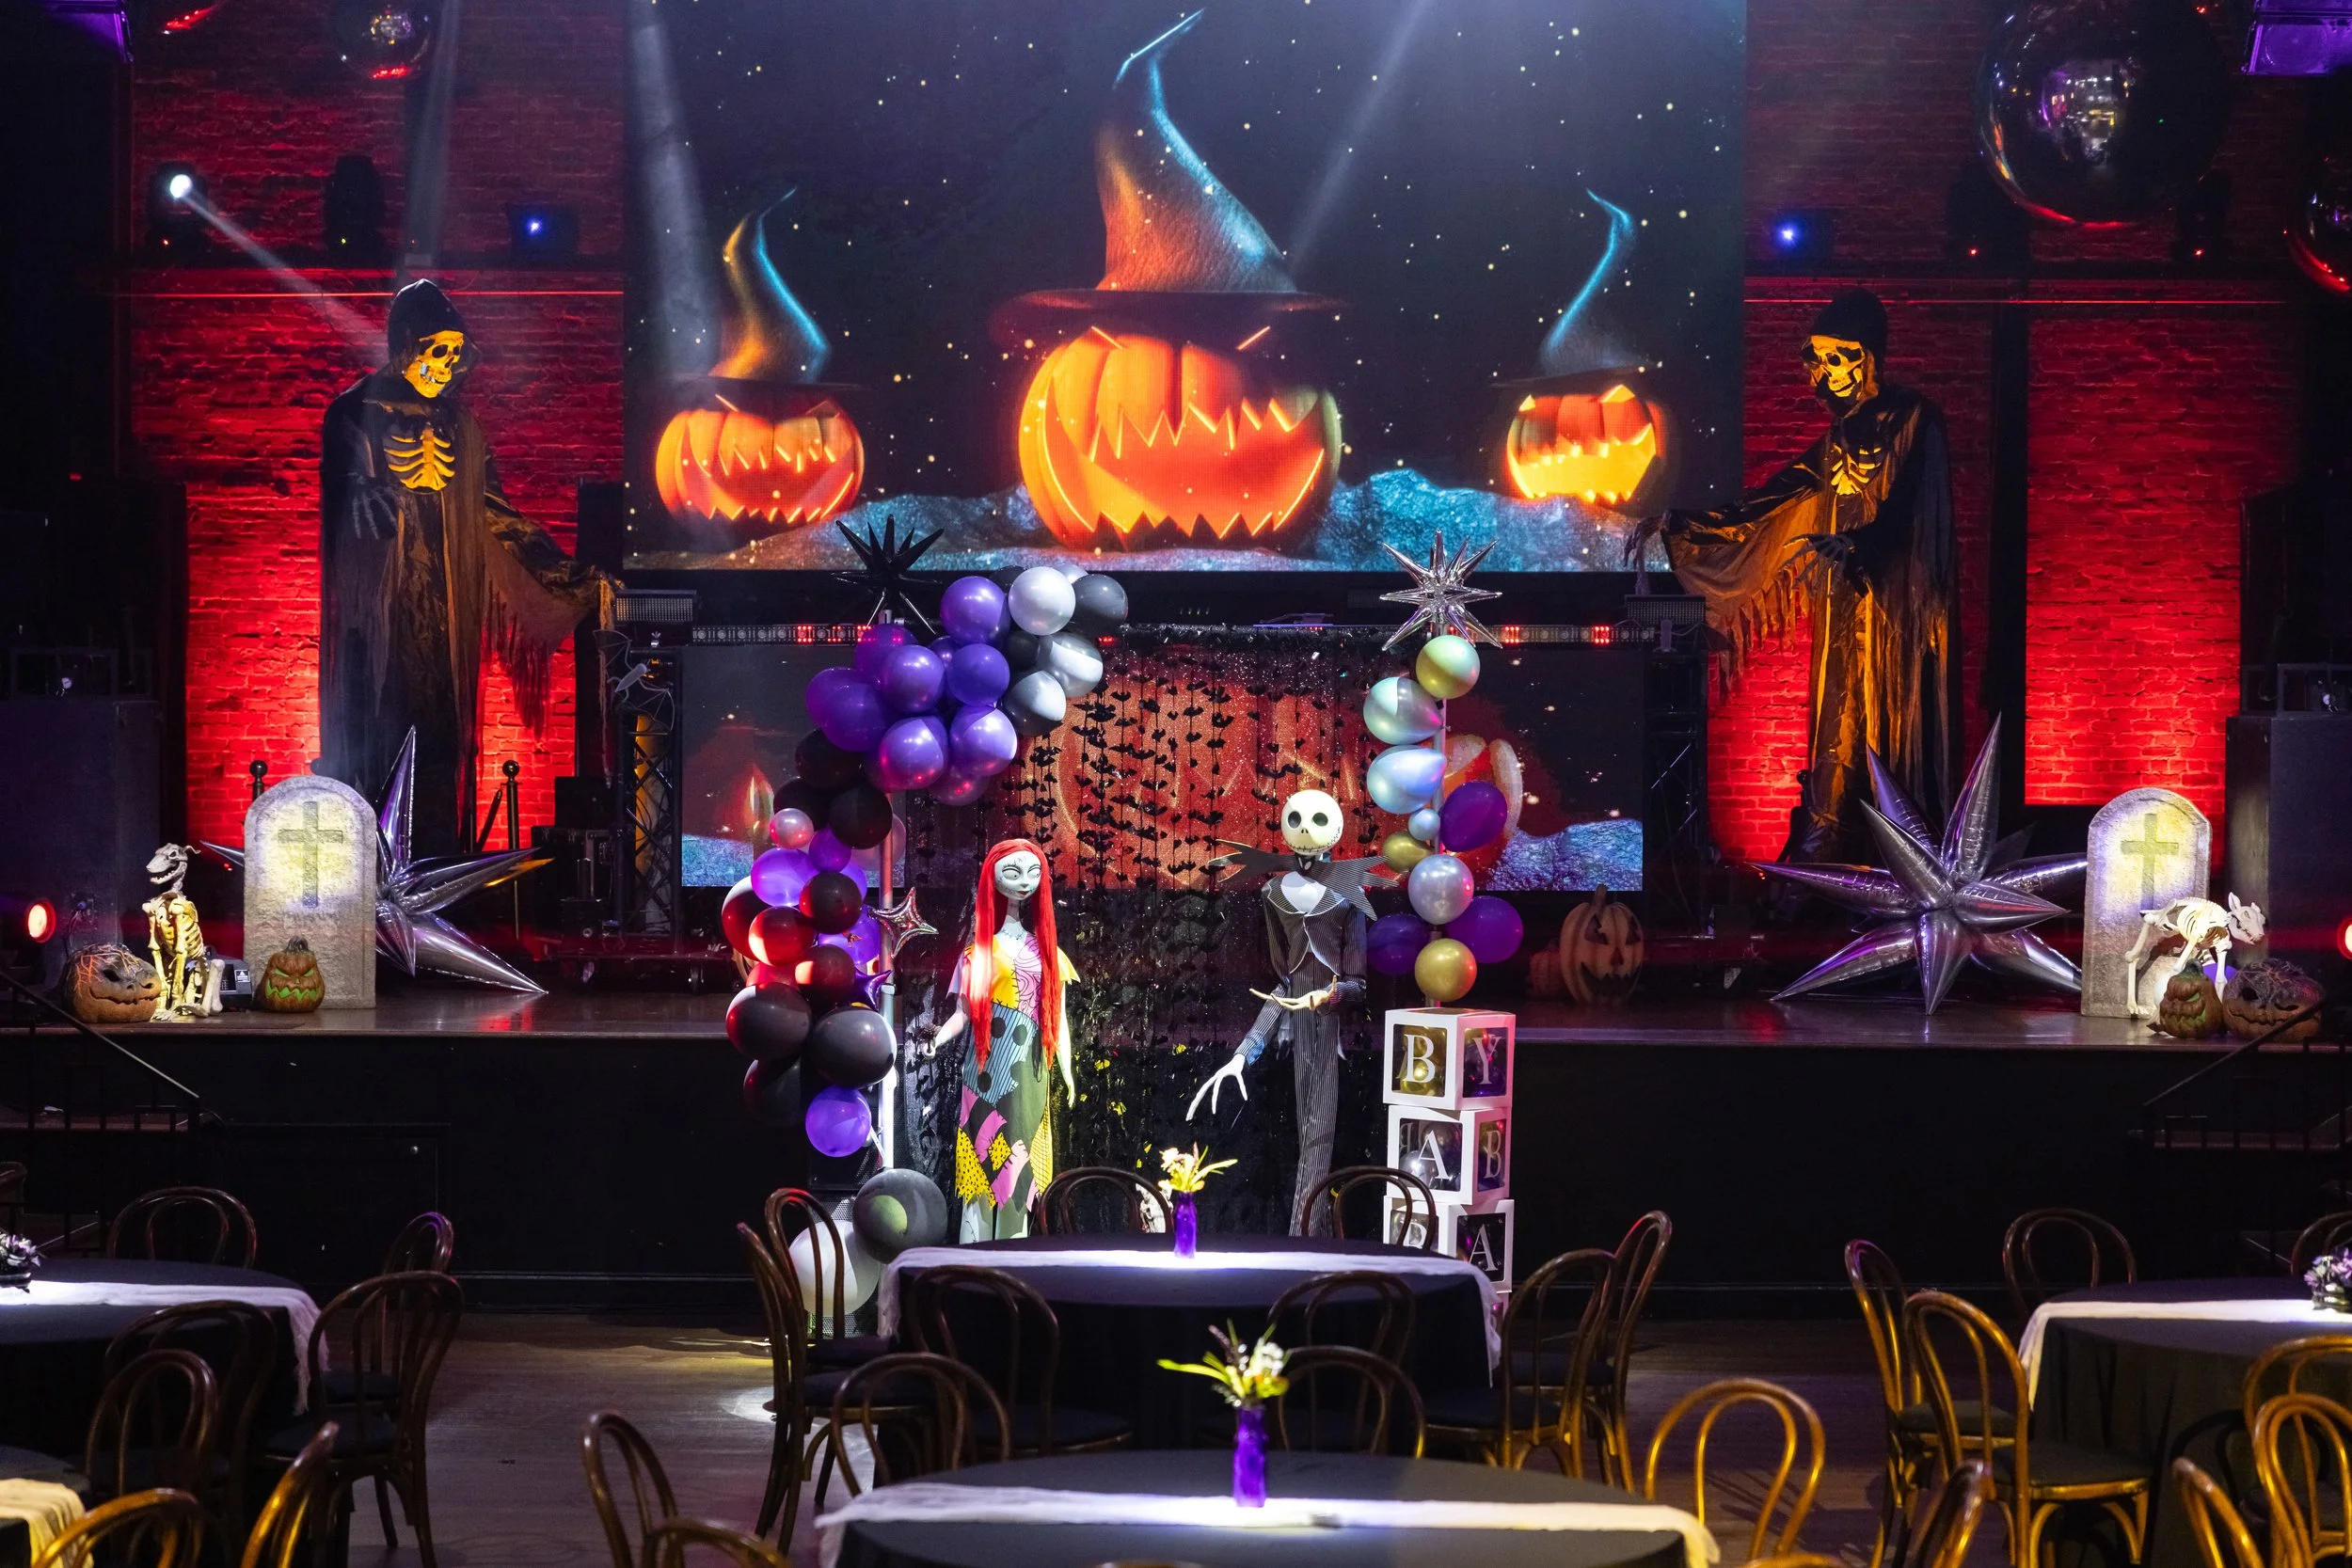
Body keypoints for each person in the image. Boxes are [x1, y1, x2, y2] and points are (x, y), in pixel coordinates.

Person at [1629, 288, 1960, 863]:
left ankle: (1900, 850)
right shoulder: (1835, 442)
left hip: (1895, 604)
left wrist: (1862, 542)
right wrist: (1679, 521)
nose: (1826, 373)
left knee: (1888, 712)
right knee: (1840, 716)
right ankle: (1830, 840)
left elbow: (1911, 500)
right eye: (1819, 359)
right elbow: (1768, 501)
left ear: (1867, 357)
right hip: (1843, 597)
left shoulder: (1915, 417)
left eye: (1839, 357)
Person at [319, 279, 612, 856]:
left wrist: (565, 575)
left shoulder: (462, 428)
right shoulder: (355, 412)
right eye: (437, 350)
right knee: (378, 736)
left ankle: (434, 873)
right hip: (380, 618)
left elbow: (497, 515)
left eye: (457, 353)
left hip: (445, 623)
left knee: (439, 740)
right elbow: (344, 486)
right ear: (406, 344)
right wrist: (357, 494)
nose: (449, 366)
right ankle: (371, 883)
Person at [1188, 789, 1371, 1233]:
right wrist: (1243, 1054)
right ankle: (1306, 1237)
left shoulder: (1350, 896)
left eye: (1318, 820)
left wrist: (1326, 998)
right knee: (1302, 1138)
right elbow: (1282, 979)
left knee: (1321, 1138)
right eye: (1298, 819)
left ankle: (1307, 1237)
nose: (1307, 829)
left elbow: (1359, 984)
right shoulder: (1273, 891)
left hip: (1331, 1031)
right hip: (1292, 1029)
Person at [928, 839, 1078, 1241]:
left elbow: (1057, 1020)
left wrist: (1066, 1067)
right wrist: (936, 1041)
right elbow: (963, 1014)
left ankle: (1013, 1258)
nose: (1024, 883)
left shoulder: (1048, 954)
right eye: (1012, 873)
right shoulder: (979, 954)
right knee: (980, 1169)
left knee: (1019, 1167)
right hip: (985, 1071)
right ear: (993, 879)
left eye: (1032, 873)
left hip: (1030, 1071)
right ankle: (974, 1260)